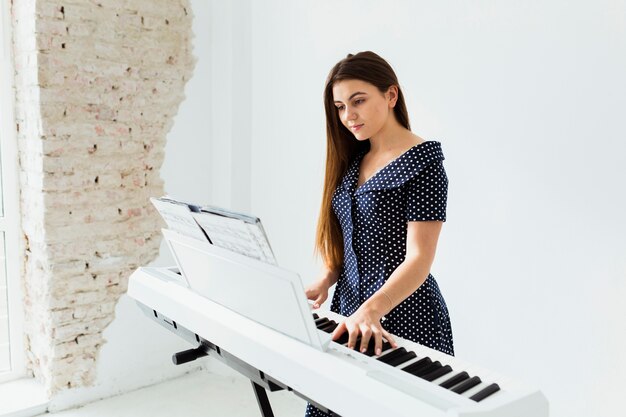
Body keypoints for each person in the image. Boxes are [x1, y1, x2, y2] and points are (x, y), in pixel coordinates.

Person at [303, 51, 454, 417]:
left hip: (404, 315)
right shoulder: (353, 158)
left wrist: (372, 310)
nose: (348, 115)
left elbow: (420, 257)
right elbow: (350, 236)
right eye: (340, 106)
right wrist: (326, 277)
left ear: (390, 96)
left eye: (358, 101)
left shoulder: (425, 164)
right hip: (349, 312)